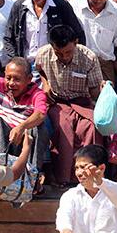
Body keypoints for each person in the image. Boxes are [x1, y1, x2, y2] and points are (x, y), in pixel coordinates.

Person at [36, 25, 106, 187]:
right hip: (57, 102)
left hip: (83, 102)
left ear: (76, 43)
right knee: (63, 128)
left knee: (91, 128)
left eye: (68, 52)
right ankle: (63, 178)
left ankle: (89, 178)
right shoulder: (43, 54)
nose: (64, 57)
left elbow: (95, 89)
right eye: (59, 53)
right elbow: (39, 71)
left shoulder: (89, 57)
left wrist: (104, 91)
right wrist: (45, 85)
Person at [3, 0, 84, 70]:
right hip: (25, 69)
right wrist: (17, 63)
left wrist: (69, 62)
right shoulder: (18, 6)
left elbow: (78, 36)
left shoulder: (61, 6)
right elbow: (8, 38)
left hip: (54, 68)